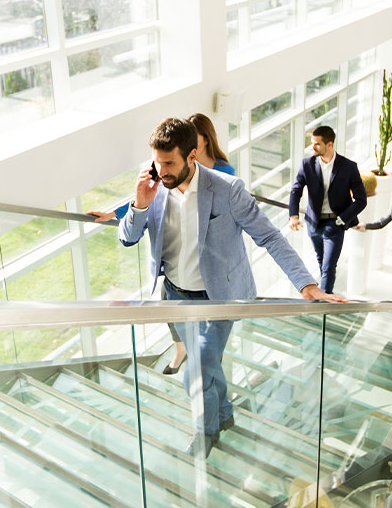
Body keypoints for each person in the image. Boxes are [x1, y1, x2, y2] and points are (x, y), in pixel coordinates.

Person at [120, 117, 346, 458]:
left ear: (192, 155)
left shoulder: (227, 190)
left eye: (169, 163)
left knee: (195, 373)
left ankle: (206, 433)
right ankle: (224, 414)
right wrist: (139, 203)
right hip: (176, 298)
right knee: (207, 365)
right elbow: (127, 237)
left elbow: (269, 235)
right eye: (157, 161)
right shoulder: (153, 184)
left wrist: (306, 284)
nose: (161, 170)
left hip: (219, 300)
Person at [89, 113, 235, 376]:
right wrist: (117, 212)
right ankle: (181, 351)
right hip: (174, 272)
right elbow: (144, 203)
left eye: (195, 137)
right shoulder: (168, 173)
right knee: (171, 313)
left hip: (208, 275)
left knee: (208, 359)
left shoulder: (222, 173)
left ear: (201, 142)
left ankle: (210, 386)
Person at [87, 112, 235, 224]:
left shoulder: (225, 172)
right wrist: (112, 214)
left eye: (194, 138)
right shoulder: (165, 168)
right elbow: (145, 196)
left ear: (207, 139)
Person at [288, 125, 368, 293]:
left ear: (329, 144)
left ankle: (322, 304)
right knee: (321, 261)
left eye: (317, 144)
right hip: (313, 223)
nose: (312, 147)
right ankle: (324, 298)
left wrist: (342, 219)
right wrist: (293, 215)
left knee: (328, 267)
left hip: (335, 223)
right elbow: (296, 190)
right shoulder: (307, 164)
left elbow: (361, 200)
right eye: (312, 143)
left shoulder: (348, 167)